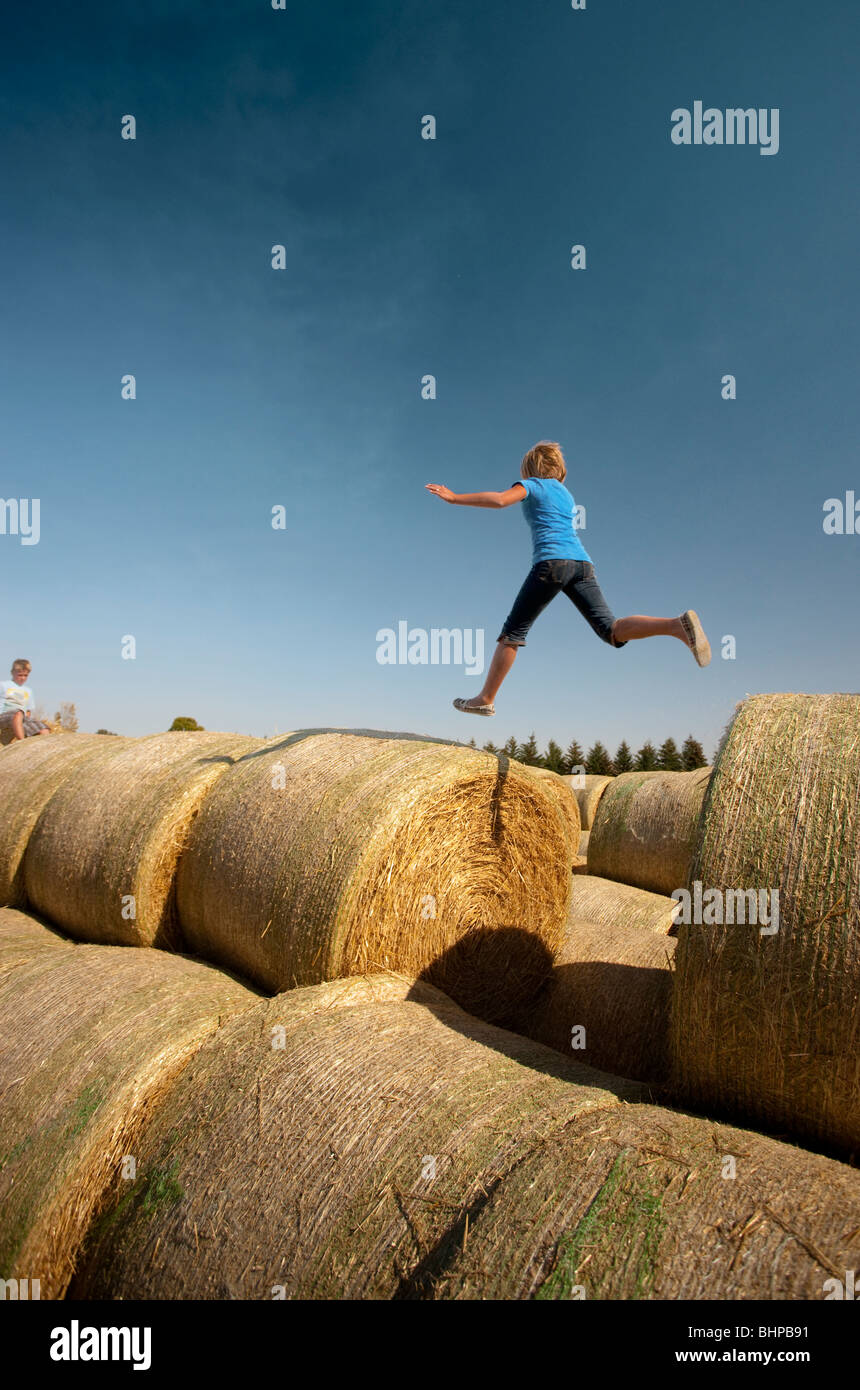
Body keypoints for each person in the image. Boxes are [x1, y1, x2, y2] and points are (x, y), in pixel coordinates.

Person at [426, 440, 710, 716]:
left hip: (551, 564)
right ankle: (676, 625)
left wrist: (454, 498)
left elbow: (500, 500)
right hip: (582, 564)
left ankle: (485, 699)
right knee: (610, 629)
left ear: (530, 469)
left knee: (512, 634)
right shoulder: (566, 494)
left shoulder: (533, 485)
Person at [0, 659, 51, 739]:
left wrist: (26, 720)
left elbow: (28, 710)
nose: (23, 678)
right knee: (18, 713)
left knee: (43, 728)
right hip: (4, 716)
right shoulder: (3, 685)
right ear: (12, 673)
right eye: (20, 675)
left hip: (21, 718)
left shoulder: (28, 691)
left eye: (25, 675)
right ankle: (21, 742)